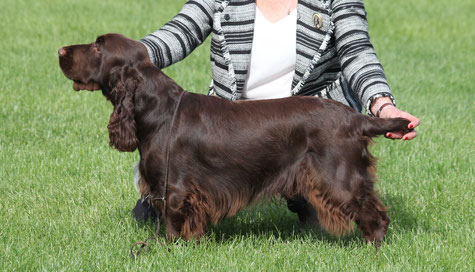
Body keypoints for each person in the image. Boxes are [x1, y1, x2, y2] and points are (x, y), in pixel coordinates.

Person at [76, 0, 420, 225]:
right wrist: (116, 63)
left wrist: (381, 103)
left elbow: (357, 51)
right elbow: (177, 34)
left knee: (326, 218)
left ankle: (313, 203)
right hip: (232, 136)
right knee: (154, 217)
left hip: (304, 134)